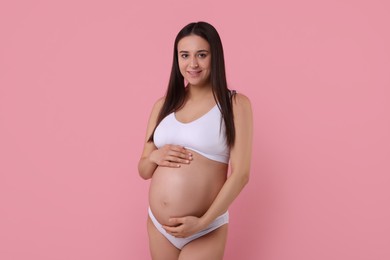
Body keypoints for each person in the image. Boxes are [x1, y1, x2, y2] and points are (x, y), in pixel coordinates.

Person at [138, 21, 253, 260]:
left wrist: (202, 222)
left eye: (202, 54)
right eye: (185, 55)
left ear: (215, 56)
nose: (193, 64)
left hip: (205, 228)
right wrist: (154, 156)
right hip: (160, 227)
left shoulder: (235, 104)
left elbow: (241, 174)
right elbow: (144, 170)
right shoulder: (163, 106)